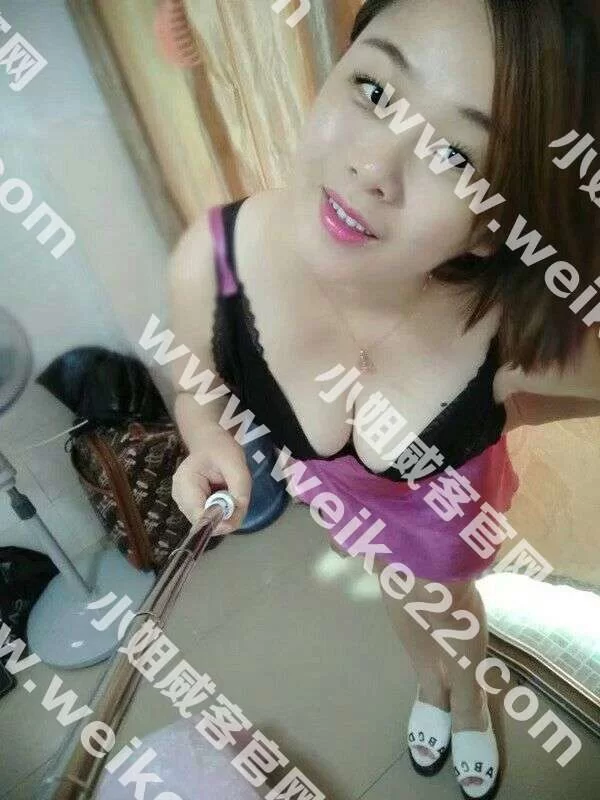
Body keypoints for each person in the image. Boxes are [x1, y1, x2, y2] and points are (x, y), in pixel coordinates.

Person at [168, 1, 600, 796]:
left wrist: (510, 408)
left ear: (492, 227)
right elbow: (194, 369)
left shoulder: (505, 339)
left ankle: (469, 698)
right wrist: (205, 438)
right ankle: (428, 684)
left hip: (441, 513)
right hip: (345, 500)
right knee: (396, 587)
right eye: (374, 90)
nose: (374, 166)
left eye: (456, 156)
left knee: (448, 601)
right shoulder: (217, 259)